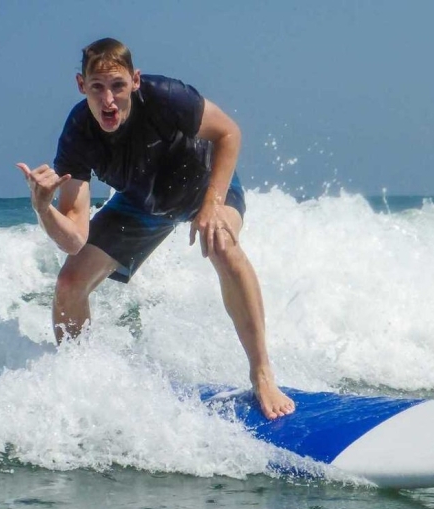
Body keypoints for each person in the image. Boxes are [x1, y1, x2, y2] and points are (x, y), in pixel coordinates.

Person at [16, 38, 294, 420]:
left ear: (135, 80)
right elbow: (75, 238)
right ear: (82, 86)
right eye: (97, 87)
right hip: (141, 205)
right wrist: (43, 208)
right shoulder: (78, 134)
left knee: (221, 243)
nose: (108, 100)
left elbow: (229, 133)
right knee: (69, 282)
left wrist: (213, 205)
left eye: (117, 85)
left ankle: (262, 373)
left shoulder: (166, 97)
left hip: (206, 186)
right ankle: (77, 383)